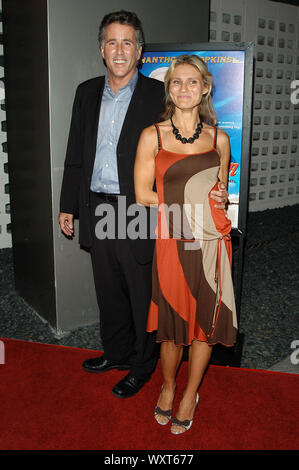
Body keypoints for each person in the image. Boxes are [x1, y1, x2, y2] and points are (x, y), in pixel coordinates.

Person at [59, 11, 229, 399]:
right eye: (112, 42)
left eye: (128, 42)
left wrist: (212, 188)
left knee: (140, 290)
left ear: (139, 51)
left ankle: (141, 365)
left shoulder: (158, 95)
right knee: (108, 288)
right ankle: (116, 353)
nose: (120, 50)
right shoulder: (85, 92)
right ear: (102, 49)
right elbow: (75, 153)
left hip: (141, 206)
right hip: (98, 205)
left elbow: (187, 143)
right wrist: (69, 204)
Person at [134, 54, 237, 432]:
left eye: (192, 82)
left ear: (205, 88)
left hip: (211, 242)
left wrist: (220, 196)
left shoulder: (220, 139)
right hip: (173, 240)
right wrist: (184, 203)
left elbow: (222, 191)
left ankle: (191, 392)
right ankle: (168, 385)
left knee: (204, 326)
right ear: (168, 88)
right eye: (177, 82)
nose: (184, 89)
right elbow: (143, 193)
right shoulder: (153, 136)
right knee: (174, 325)